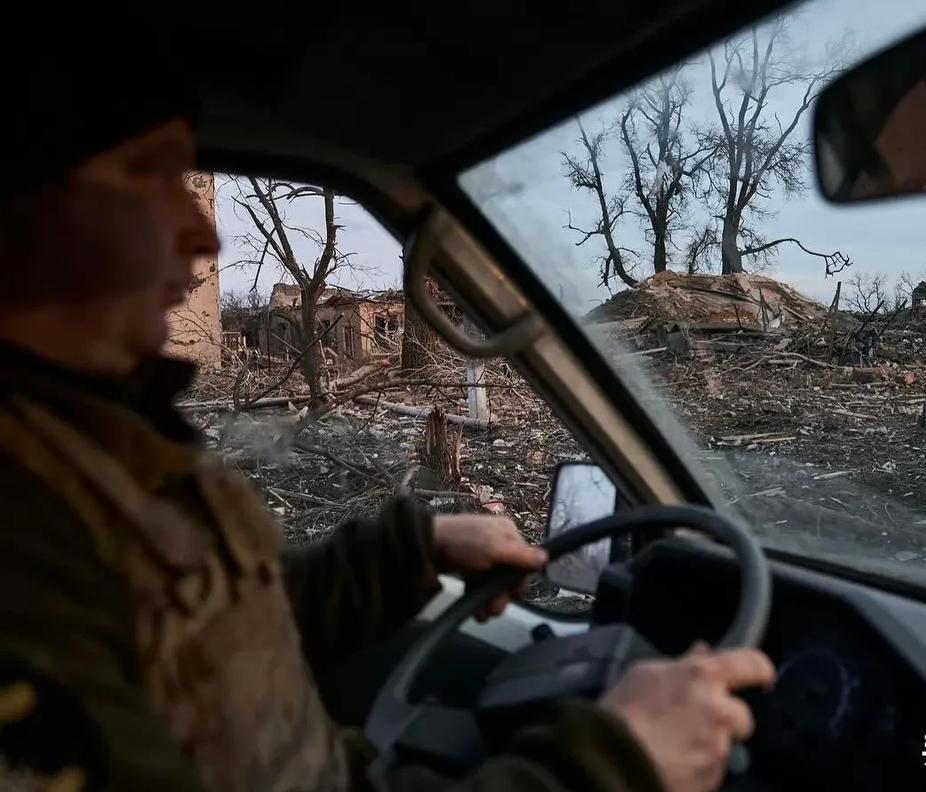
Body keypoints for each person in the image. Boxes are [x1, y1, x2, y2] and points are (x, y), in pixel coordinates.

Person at [0, 32, 774, 792]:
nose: (203, 231)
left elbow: (210, 630)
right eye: (149, 174)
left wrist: (404, 555)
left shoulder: (89, 438)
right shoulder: (22, 532)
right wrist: (610, 765)